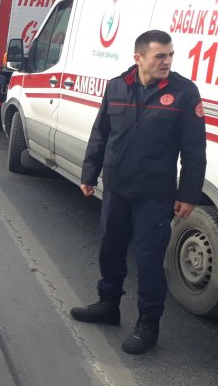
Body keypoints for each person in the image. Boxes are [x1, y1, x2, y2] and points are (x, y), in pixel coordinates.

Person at [72, 30, 206, 355]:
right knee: (110, 248)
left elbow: (193, 149)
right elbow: (100, 134)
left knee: (148, 260)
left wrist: (188, 193)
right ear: (139, 58)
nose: (167, 62)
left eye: (170, 55)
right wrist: (89, 173)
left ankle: (148, 323)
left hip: (155, 195)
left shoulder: (184, 93)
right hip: (116, 188)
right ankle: (108, 305)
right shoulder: (117, 86)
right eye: (160, 56)